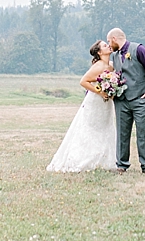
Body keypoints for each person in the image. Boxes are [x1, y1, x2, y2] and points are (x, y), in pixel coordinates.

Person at [46, 40, 118, 173]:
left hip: (106, 102)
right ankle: (83, 159)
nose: (108, 45)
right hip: (95, 101)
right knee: (91, 129)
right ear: (99, 52)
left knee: (105, 128)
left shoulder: (111, 66)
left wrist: (111, 90)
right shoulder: (99, 66)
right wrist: (100, 92)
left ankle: (105, 160)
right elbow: (83, 81)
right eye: (104, 45)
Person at [107, 27, 145, 174]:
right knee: (122, 133)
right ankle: (121, 165)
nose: (109, 45)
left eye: (109, 41)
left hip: (140, 98)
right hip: (121, 100)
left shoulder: (138, 49)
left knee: (143, 133)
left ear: (115, 39)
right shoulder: (114, 56)